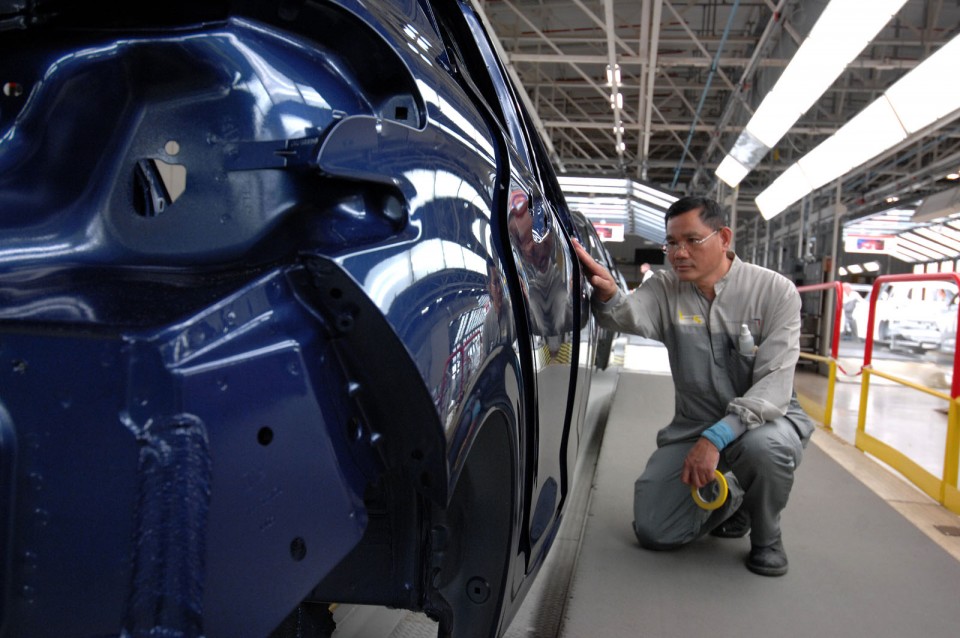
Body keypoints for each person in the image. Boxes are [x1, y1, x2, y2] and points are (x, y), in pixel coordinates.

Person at [572, 195, 813, 577]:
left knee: (765, 449)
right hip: (694, 425)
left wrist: (716, 438)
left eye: (691, 240)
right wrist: (608, 293)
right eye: (671, 243)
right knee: (654, 529)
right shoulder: (666, 289)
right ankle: (732, 496)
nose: (678, 253)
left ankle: (766, 536)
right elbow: (630, 315)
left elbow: (774, 382)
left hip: (766, 421)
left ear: (724, 237)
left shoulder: (774, 292)